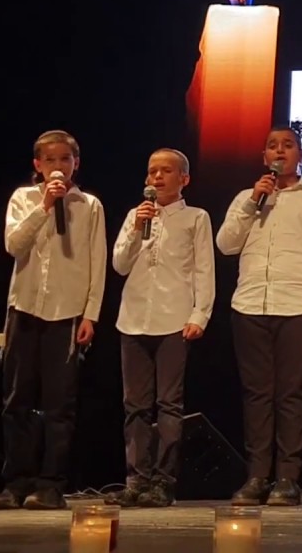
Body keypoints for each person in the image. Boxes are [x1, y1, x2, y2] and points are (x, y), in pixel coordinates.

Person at [216, 126, 302, 506]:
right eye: (272, 146)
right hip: (250, 305)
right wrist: (252, 202)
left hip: (298, 305)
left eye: (287, 145)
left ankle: (288, 477)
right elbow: (226, 245)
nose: (279, 151)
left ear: (300, 155)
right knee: (256, 394)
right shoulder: (247, 198)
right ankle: (257, 476)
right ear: (264, 157)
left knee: (291, 394)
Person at [0, 130, 106, 510]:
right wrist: (44, 205)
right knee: (17, 400)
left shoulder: (89, 205)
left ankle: (51, 485)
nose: (58, 166)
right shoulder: (23, 198)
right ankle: (16, 482)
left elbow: (97, 262)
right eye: (50, 160)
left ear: (76, 163)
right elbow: (13, 246)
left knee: (60, 404)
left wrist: (91, 314)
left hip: (67, 311)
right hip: (24, 307)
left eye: (65, 159)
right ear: (37, 165)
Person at [105, 149, 214, 508]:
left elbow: (204, 269)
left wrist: (200, 315)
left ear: (184, 179)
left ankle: (163, 482)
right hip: (133, 319)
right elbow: (120, 265)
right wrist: (137, 228)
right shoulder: (135, 215)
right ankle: (136, 480)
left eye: (166, 171)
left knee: (169, 403)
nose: (158, 177)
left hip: (174, 320)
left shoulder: (196, 218)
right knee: (135, 406)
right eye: (153, 171)